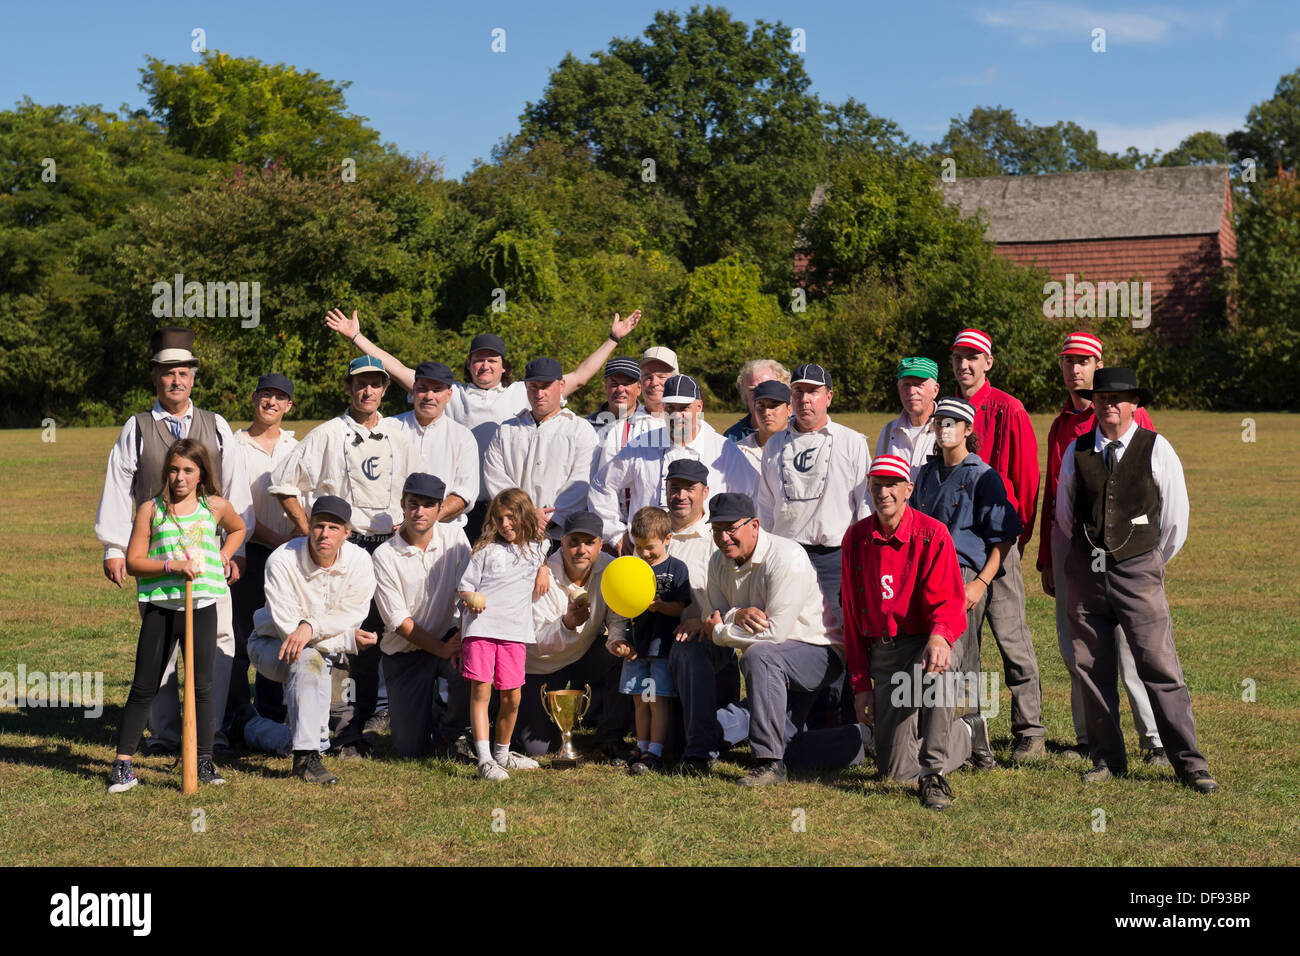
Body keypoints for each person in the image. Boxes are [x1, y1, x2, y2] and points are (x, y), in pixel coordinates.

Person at [325, 308, 642, 540]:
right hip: (458, 505)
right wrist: (356, 336)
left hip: (508, 507)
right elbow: (396, 369)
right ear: (468, 364)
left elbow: (580, 376)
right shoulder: (451, 393)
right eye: (478, 359)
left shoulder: (522, 391)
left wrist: (612, 339)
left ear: (505, 367)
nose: (485, 365)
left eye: (493, 360)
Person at [1056, 368, 1218, 794]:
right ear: (1094, 403)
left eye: (1119, 397)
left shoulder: (1156, 446)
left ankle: (1190, 763)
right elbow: (1064, 514)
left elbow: (1175, 519)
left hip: (1139, 569)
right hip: (1087, 572)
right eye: (1103, 398)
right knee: (1092, 668)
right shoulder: (1077, 450)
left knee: (1160, 666)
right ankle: (1107, 759)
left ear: (1134, 404)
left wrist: (1149, 561)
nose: (1110, 405)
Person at [95, 327, 253, 756]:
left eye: (183, 372)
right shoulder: (137, 427)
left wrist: (231, 552)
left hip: (209, 564)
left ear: (194, 377)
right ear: (155, 378)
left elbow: (236, 494)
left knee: (218, 643)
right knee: (160, 650)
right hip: (158, 558)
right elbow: (117, 484)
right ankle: (165, 736)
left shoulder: (216, 425)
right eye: (167, 373)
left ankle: (209, 737)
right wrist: (114, 547)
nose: (176, 380)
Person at [269, 355, 414, 758]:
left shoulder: (399, 434)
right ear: (348, 388)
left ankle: (371, 721)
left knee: (380, 637)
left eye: (375, 384)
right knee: (345, 639)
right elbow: (283, 483)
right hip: (346, 547)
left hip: (388, 545)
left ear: (385, 389)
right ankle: (340, 730)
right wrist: (308, 529)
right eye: (359, 383)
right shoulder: (328, 434)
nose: (367, 391)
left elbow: (415, 488)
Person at [1039, 333, 1164, 764]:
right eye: (1068, 362)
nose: (1075, 369)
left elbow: (1151, 488)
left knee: (1134, 647)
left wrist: (1152, 553)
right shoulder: (1060, 425)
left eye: (1084, 361)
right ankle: (1087, 738)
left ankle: (1154, 739)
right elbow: (1053, 497)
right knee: (1079, 648)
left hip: (1125, 547)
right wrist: (1047, 558)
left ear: (1099, 364)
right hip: (1072, 547)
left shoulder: (1134, 415)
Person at [841, 455, 993, 810]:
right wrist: (862, 686)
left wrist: (939, 637)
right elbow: (851, 616)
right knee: (895, 772)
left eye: (892, 484)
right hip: (886, 653)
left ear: (908, 489)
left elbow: (949, 603)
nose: (884, 492)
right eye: (877, 485)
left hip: (926, 643)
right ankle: (968, 732)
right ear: (869, 488)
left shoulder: (932, 533)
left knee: (942, 667)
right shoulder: (856, 538)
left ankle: (934, 772)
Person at [108, 439, 246, 793]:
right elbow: (136, 561)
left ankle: (202, 759)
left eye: (188, 470)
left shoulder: (214, 507)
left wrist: (223, 556)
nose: (179, 477)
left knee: (202, 685)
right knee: (144, 686)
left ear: (201, 475)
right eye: (173, 470)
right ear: (165, 472)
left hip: (201, 606)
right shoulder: (151, 510)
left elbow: (240, 528)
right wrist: (172, 565)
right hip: (162, 606)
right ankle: (122, 763)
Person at [754, 363, 870, 728]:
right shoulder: (774, 445)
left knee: (836, 640)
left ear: (829, 397)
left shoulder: (852, 442)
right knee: (788, 636)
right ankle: (791, 722)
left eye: (814, 391)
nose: (806, 399)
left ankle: (838, 724)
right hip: (788, 559)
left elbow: (865, 509)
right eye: (799, 392)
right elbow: (766, 510)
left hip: (836, 558)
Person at [702, 493, 844, 787]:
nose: (724, 538)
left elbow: (775, 633)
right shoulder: (717, 561)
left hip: (818, 651)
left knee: (759, 655)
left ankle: (768, 763)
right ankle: (858, 740)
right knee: (793, 745)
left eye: (731, 529)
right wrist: (735, 615)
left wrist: (720, 632)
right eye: (716, 530)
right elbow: (715, 612)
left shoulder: (786, 556)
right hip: (777, 662)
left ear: (754, 525)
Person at [949, 328, 1045, 761]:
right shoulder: (947, 410)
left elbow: (1025, 482)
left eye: (973, 357)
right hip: (958, 550)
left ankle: (1030, 729)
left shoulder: (1009, 409)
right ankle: (970, 732)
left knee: (1011, 638)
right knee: (964, 645)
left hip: (999, 544)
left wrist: (1010, 543)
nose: (965, 365)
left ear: (989, 362)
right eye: (958, 358)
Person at [246, 496, 379, 785]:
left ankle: (254, 727)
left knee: (314, 667)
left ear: (347, 532)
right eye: (319, 526)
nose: (325, 534)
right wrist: (346, 640)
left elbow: (352, 615)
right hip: (271, 645)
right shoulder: (281, 560)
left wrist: (312, 626)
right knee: (308, 659)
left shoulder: (360, 561)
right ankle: (306, 759)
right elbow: (289, 632)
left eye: (334, 527)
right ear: (309, 527)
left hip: (322, 647)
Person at [910, 397, 1021, 740]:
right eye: (939, 421)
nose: (943, 428)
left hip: (964, 573)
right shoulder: (925, 474)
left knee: (967, 656)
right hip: (927, 573)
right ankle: (925, 730)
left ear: (967, 429)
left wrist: (981, 583)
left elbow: (1003, 537)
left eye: (952, 422)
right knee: (925, 650)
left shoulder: (983, 477)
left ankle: (977, 734)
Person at [589, 374, 756, 553]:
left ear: (699, 407)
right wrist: (615, 534)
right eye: (670, 408)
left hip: (705, 552)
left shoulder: (722, 449)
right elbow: (601, 486)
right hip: (647, 552)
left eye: (684, 408)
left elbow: (750, 495)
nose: (676, 415)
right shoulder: (642, 445)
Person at [517, 511, 631, 762]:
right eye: (574, 542)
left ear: (601, 544)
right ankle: (503, 706)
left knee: (621, 656)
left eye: (589, 543)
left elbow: (616, 618)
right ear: (563, 541)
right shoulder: (542, 574)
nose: (581, 550)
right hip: (541, 665)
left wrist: (617, 641)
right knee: (536, 749)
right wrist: (567, 624)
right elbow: (534, 642)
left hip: (584, 654)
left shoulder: (610, 568)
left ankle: (610, 737)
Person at [373, 473, 471, 758]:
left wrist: (463, 639)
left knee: (472, 663)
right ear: (402, 505)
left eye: (428, 505)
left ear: (441, 509)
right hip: (405, 653)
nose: (419, 511)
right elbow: (400, 624)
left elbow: (468, 592)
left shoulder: (455, 537)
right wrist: (441, 649)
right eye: (413, 503)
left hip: (446, 637)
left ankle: (453, 732)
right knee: (410, 750)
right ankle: (426, 717)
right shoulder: (383, 555)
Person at [457, 488, 552, 780]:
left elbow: (546, 548)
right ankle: (484, 760)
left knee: (512, 698)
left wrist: (544, 569)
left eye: (511, 517)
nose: (505, 524)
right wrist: (470, 597)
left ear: (524, 515)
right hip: (481, 630)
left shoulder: (539, 549)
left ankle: (502, 753)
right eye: (499, 519)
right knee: (482, 691)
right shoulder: (485, 551)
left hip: (515, 633)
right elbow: (464, 586)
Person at [228, 373, 298, 746]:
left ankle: (274, 712)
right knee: (241, 633)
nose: (271, 402)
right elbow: (238, 508)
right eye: (265, 395)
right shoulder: (235, 445)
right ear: (254, 399)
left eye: (279, 397)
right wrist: (272, 538)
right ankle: (238, 712)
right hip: (248, 552)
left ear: (289, 406)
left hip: (289, 557)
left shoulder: (295, 445)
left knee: (279, 630)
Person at [663, 460, 746, 775]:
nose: (681, 495)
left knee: (692, 646)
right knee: (669, 743)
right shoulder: (652, 534)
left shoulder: (719, 539)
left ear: (705, 492)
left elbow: (738, 601)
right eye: (674, 488)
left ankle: (700, 749)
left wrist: (705, 620)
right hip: (659, 649)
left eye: (689, 489)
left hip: (705, 650)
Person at [607, 507, 691, 774]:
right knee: (638, 700)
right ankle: (641, 747)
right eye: (639, 546)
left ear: (668, 539)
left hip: (661, 649)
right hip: (636, 648)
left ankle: (655, 751)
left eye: (650, 547)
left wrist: (659, 606)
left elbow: (680, 607)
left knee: (657, 700)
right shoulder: (633, 568)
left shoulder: (676, 568)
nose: (644, 553)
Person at [482, 357, 600, 543]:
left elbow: (581, 482)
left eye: (545, 386)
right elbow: (494, 477)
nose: (539, 393)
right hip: (511, 534)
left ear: (561, 385)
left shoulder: (580, 430)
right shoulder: (506, 430)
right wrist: (524, 515)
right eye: (533, 386)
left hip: (558, 536)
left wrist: (551, 519)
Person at [391, 361, 479, 527]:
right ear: (414, 390)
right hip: (392, 529)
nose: (429, 396)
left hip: (445, 533)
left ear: (449, 394)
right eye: (423, 388)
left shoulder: (462, 437)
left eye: (437, 390)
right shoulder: (389, 428)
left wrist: (422, 520)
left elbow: (464, 494)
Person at [873, 357, 941, 479]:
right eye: (906, 385)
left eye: (918, 385)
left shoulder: (947, 428)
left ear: (935, 390)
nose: (911, 391)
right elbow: (877, 480)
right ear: (899, 389)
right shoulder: (889, 431)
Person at [723, 359, 790, 442]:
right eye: (753, 389)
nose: (760, 394)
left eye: (768, 387)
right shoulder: (731, 437)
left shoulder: (799, 430)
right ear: (744, 393)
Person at [736, 379, 791, 470]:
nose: (766, 412)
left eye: (774, 405)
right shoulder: (739, 451)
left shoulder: (800, 447)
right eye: (761, 406)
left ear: (789, 410)